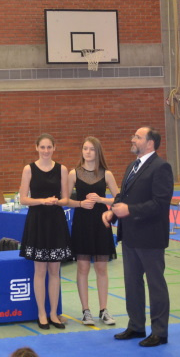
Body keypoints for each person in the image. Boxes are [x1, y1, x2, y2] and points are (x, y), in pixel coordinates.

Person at [103, 126, 173, 347]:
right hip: (131, 235)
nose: (132, 139)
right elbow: (123, 196)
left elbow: (160, 203)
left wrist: (130, 210)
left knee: (155, 285)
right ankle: (136, 325)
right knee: (132, 283)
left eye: (137, 137)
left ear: (150, 143)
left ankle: (159, 332)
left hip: (150, 236)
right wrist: (113, 212)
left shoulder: (161, 167)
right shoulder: (132, 166)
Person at [18, 134, 72, 330]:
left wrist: (56, 201)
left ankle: (53, 313)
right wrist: (42, 201)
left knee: (55, 271)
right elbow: (23, 199)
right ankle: (41, 313)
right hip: (37, 221)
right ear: (37, 148)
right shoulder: (29, 169)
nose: (46, 150)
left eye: (49, 147)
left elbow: (66, 199)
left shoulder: (62, 169)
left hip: (55, 221)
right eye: (43, 147)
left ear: (54, 148)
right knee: (40, 270)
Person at [66, 137, 119, 326]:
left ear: (98, 152)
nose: (87, 152)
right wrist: (80, 203)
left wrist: (101, 200)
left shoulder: (107, 174)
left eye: (91, 149)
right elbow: (65, 200)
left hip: (101, 223)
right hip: (82, 223)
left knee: (101, 268)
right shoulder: (73, 173)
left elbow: (119, 198)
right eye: (85, 148)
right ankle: (85, 310)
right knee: (82, 267)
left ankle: (104, 310)